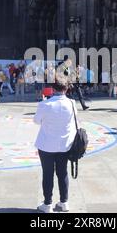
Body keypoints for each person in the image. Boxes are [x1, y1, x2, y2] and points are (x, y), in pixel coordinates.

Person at [34, 77, 77, 213]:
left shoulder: (44, 104)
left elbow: (36, 121)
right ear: (66, 89)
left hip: (46, 145)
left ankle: (47, 204)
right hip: (64, 144)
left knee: (47, 174)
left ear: (52, 89)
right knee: (62, 173)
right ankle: (64, 202)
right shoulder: (72, 103)